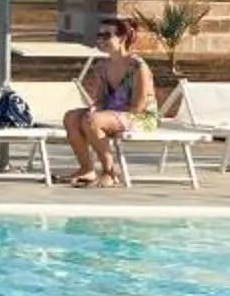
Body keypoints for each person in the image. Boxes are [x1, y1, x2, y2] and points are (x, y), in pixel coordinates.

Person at [65, 17, 159, 186]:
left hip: (142, 118)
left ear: (122, 38)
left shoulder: (137, 66)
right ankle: (86, 169)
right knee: (71, 117)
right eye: (99, 35)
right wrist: (95, 107)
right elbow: (101, 99)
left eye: (107, 35)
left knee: (93, 121)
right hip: (112, 114)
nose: (101, 39)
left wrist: (101, 115)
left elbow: (138, 107)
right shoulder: (102, 67)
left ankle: (109, 172)